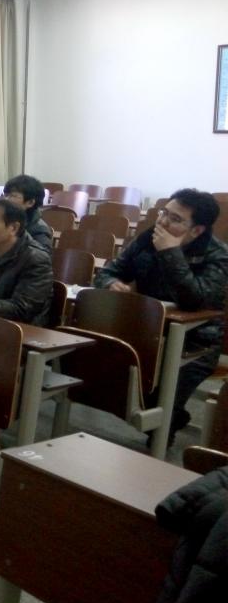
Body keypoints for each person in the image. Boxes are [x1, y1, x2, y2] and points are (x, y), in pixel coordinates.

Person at [95, 189, 228, 440]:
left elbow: (195, 300)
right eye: (163, 213)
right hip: (147, 331)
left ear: (197, 230)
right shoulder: (147, 238)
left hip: (195, 342)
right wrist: (111, 283)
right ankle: (173, 417)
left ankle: (168, 426)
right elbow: (108, 272)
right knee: (119, 389)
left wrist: (170, 254)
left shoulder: (218, 255)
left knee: (160, 415)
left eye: (175, 219)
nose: (163, 222)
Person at [3, 174, 53, 253]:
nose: (6, 200)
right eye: (5, 195)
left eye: (12, 196)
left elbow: (43, 256)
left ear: (30, 202)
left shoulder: (40, 229)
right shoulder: (2, 220)